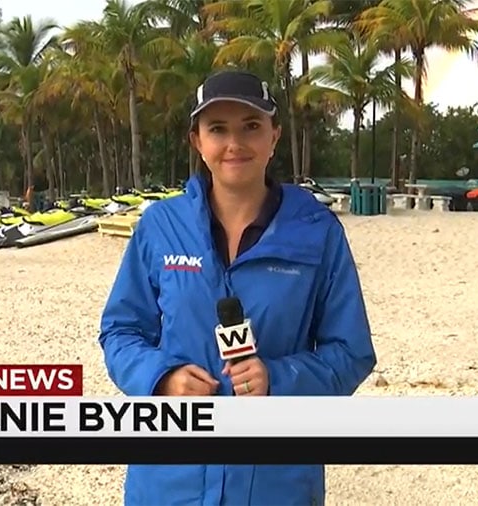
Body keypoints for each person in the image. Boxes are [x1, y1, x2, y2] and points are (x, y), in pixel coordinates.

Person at [98, 69, 376, 505]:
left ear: (274, 137)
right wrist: (163, 379)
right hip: (168, 483)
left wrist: (277, 379)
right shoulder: (159, 227)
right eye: (218, 129)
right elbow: (120, 332)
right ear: (197, 142)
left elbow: (351, 352)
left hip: (277, 483)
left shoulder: (318, 233)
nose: (234, 144)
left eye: (251, 127)